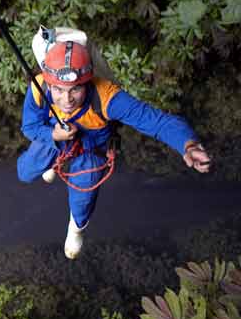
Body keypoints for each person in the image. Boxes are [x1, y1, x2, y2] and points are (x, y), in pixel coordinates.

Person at [17, 40, 212, 259]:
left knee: (85, 189)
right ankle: (53, 162)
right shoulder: (39, 87)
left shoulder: (107, 97)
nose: (67, 99)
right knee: (25, 172)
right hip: (55, 136)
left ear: (88, 82)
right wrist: (53, 135)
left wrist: (188, 144)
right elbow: (30, 127)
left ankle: (76, 228)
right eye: (58, 90)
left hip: (92, 147)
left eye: (76, 89)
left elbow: (156, 122)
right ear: (50, 84)